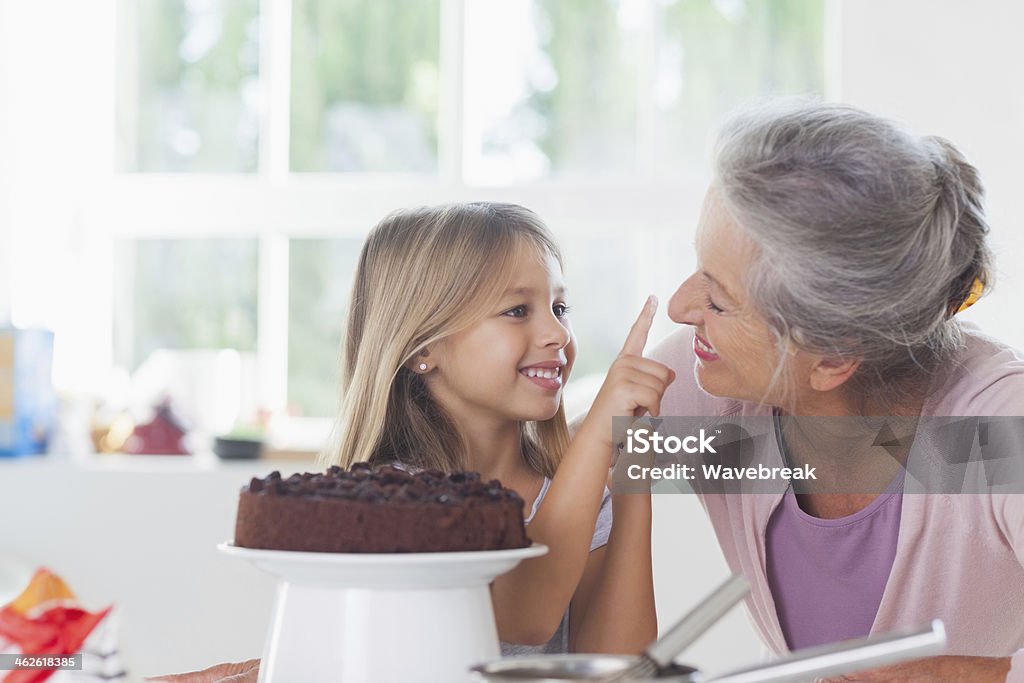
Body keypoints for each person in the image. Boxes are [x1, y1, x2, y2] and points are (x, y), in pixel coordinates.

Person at [151, 202, 668, 682]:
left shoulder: (573, 490)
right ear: (424, 348)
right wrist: (597, 436)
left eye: (560, 306)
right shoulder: (397, 497)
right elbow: (525, 618)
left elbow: (621, 668)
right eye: (517, 311)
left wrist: (634, 465)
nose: (556, 333)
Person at [648, 100, 1024, 681]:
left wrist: (974, 673)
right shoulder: (709, 394)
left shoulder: (997, 431)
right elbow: (531, 486)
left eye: (718, 300)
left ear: (832, 356)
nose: (680, 307)